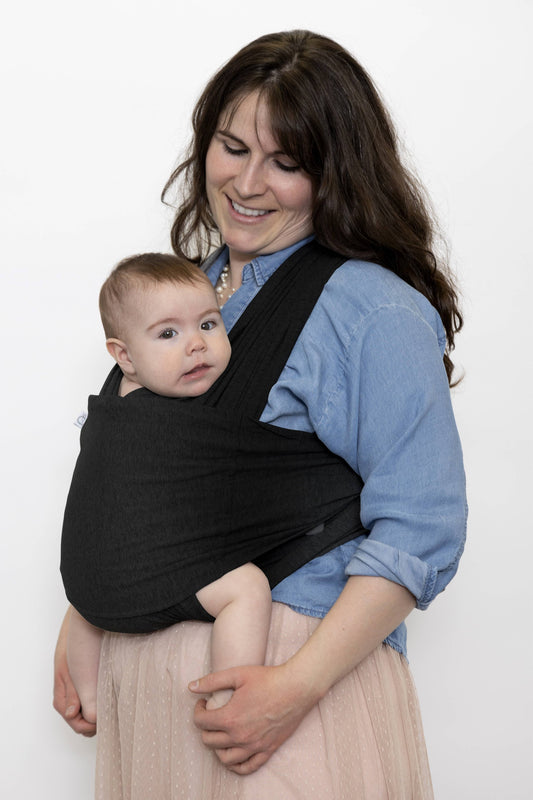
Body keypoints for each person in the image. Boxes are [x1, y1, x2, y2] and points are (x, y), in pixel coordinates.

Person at [54, 30, 467, 799]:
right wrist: (88, 609)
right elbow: (138, 481)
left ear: (333, 172)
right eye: (231, 146)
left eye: (285, 162)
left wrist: (293, 689)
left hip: (287, 688)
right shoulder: (180, 296)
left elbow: (421, 529)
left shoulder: (370, 309)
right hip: (154, 695)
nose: (247, 183)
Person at [64, 252, 271, 722]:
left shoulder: (116, 400)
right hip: (147, 576)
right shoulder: (148, 421)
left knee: (85, 601)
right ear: (125, 357)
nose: (195, 346)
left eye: (209, 324)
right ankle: (229, 701)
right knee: (248, 588)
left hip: (95, 590)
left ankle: (91, 701)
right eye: (169, 334)